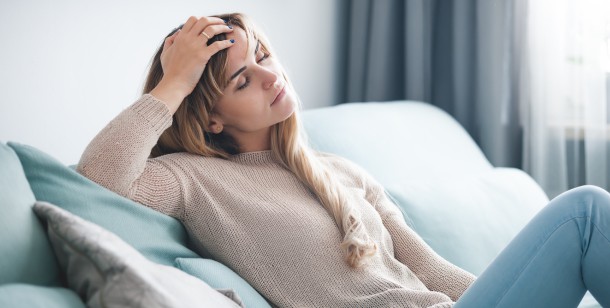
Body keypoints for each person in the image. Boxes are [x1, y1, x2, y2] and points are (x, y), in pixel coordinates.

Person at [77, 13, 610, 308]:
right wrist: (176, 82)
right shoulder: (193, 180)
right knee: (585, 214)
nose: (269, 76)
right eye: (242, 80)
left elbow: (430, 271)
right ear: (212, 117)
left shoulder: (342, 170)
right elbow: (96, 182)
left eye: (262, 55)